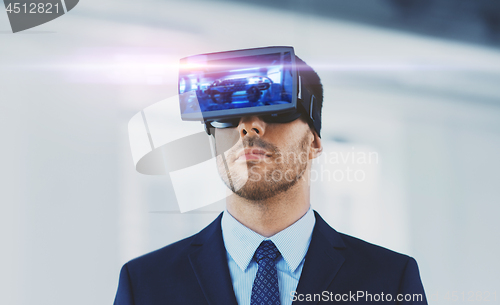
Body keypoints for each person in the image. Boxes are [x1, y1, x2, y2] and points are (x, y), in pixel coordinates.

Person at [114, 53, 427, 305]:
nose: (249, 126)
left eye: (275, 110)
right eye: (228, 112)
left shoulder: (390, 281)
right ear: (213, 142)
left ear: (314, 141)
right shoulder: (145, 284)